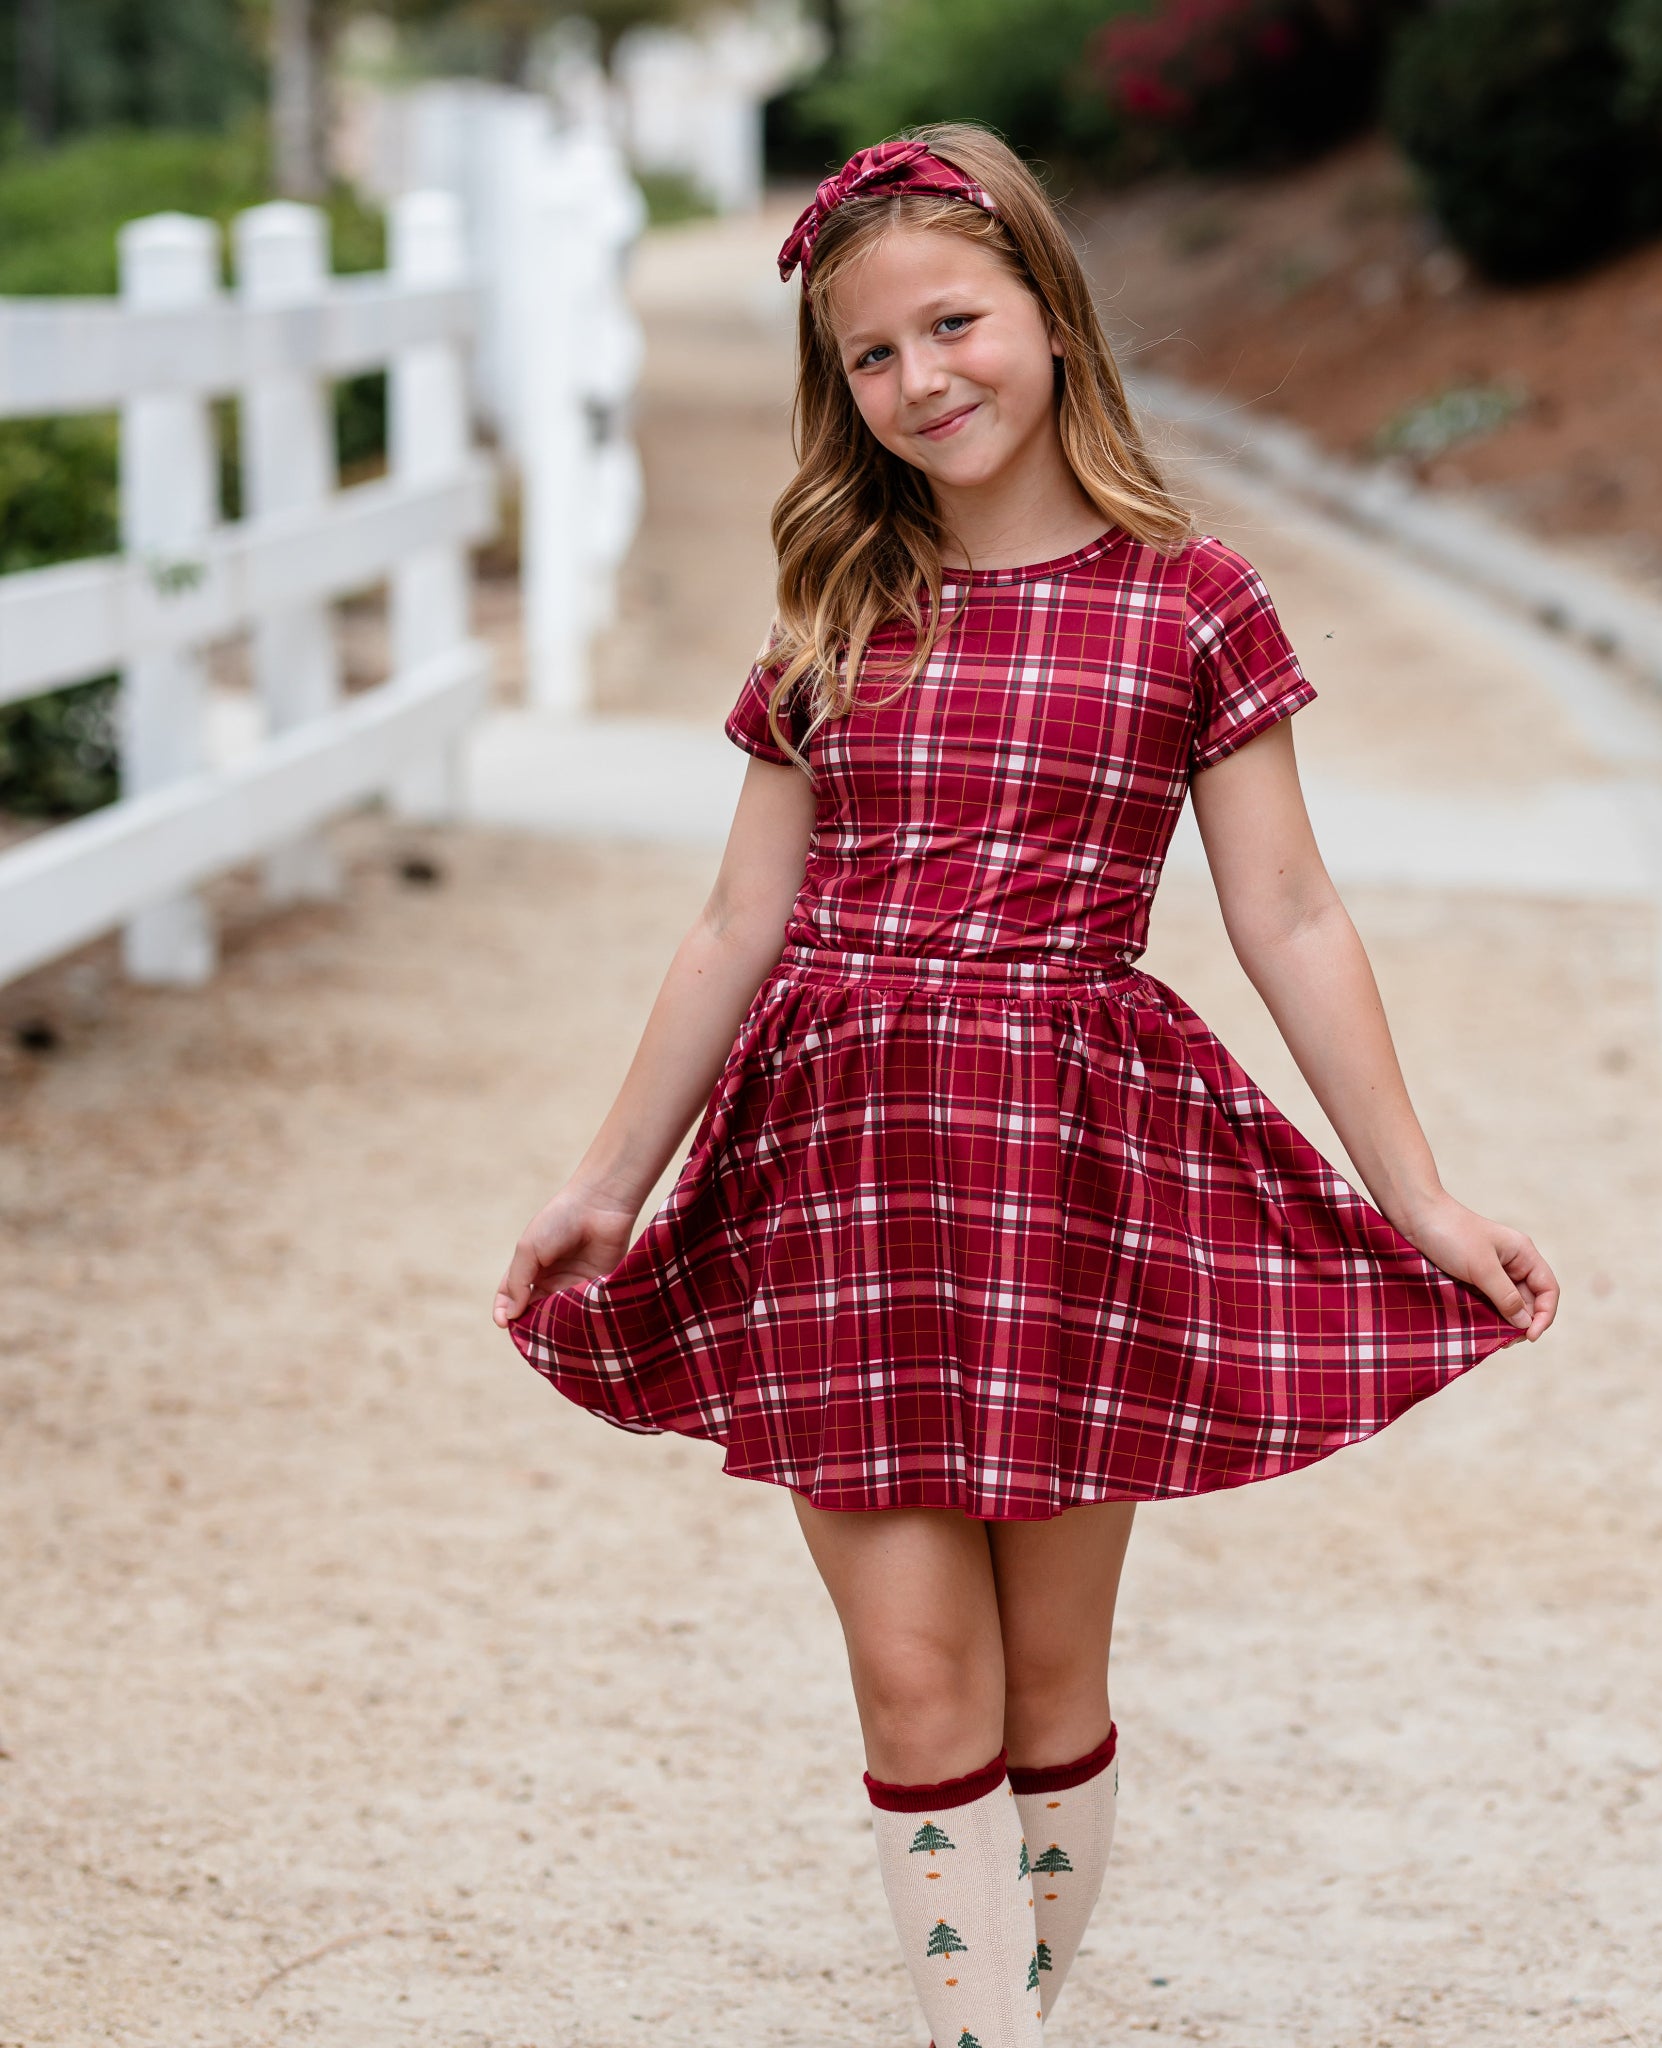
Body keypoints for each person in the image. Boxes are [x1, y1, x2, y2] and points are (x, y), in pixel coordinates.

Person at [493, 124, 1558, 2048]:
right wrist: (608, 1181)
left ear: (1051, 316)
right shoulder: (834, 605)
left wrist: (1420, 1195)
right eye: (873, 357)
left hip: (1068, 1188)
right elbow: (738, 918)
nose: (924, 381)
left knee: (1049, 1695)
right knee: (922, 1692)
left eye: (956, 323)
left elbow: (1291, 913)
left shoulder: (1192, 602)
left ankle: (1019, 2006)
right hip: (837, 1184)